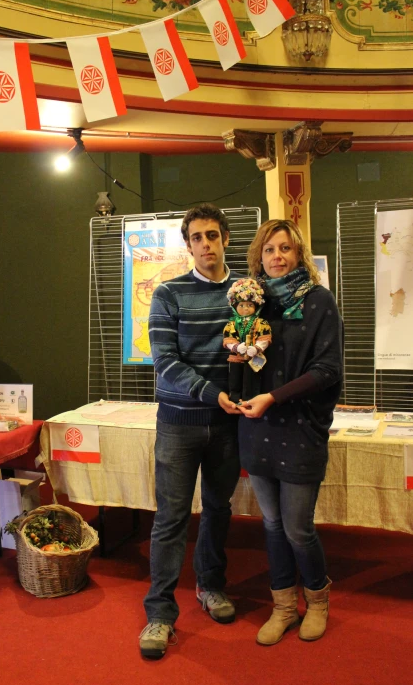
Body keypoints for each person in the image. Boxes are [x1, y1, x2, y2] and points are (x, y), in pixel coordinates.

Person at [139, 203, 242, 660]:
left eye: (213, 236)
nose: (206, 245)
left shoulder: (246, 291)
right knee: (171, 519)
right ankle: (160, 614)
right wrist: (210, 392)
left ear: (224, 240)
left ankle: (210, 586)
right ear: (188, 245)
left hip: (228, 425)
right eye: (197, 237)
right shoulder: (168, 294)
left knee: (219, 509)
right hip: (180, 424)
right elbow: (164, 363)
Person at [237, 219, 343, 646]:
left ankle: (317, 601)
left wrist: (273, 398)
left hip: (299, 429)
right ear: (258, 258)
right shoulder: (251, 306)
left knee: (298, 528)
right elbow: (243, 360)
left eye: (285, 248)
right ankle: (283, 607)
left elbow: (328, 370)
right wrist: (234, 392)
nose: (277, 257)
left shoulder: (318, 301)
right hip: (258, 430)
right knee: (273, 524)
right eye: (269, 250)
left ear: (298, 254)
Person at [223, 277, 272, 403]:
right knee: (234, 378)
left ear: (256, 306)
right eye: (242, 305)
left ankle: (250, 399)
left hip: (254, 357)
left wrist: (257, 348)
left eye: (250, 305)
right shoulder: (232, 323)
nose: (245, 308)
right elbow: (228, 338)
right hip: (236, 357)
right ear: (235, 306)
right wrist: (235, 347)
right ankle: (235, 398)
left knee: (252, 379)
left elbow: (265, 338)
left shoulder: (261, 322)